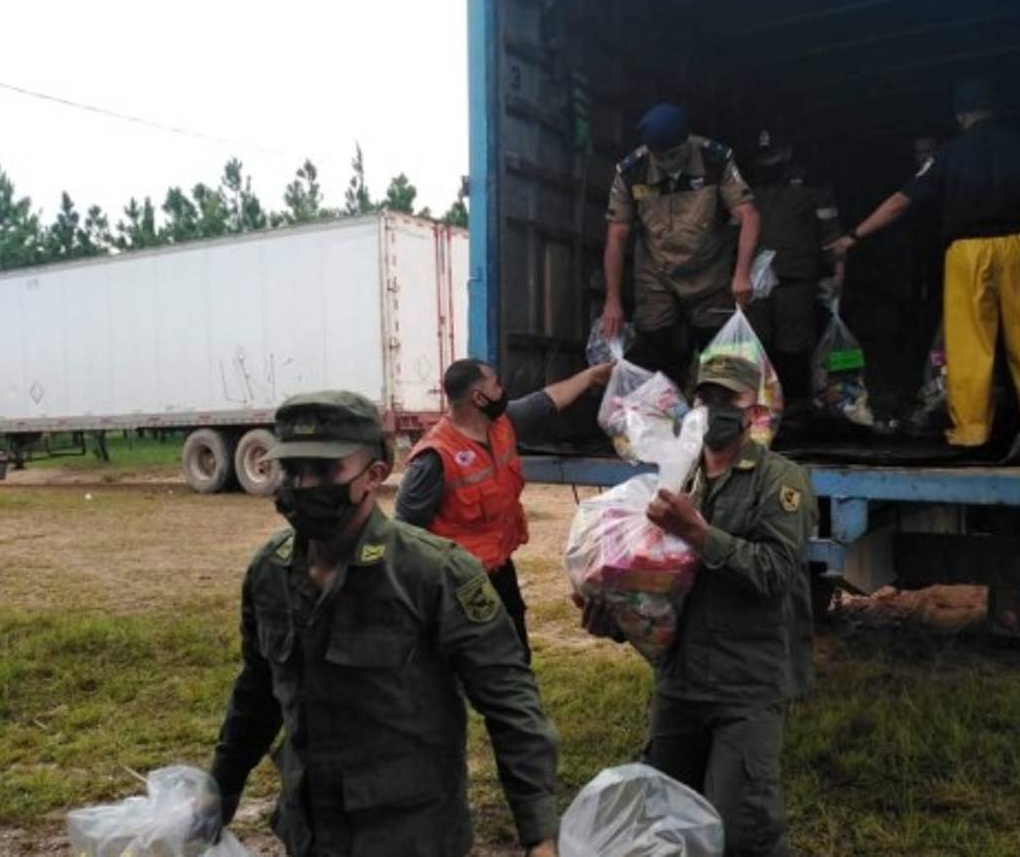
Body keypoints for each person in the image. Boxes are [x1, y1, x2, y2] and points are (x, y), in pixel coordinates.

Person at [209, 391, 559, 857]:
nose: (304, 485)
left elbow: (511, 706)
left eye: (325, 471)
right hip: (310, 831)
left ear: (374, 475)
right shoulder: (270, 572)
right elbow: (257, 693)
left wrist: (539, 836)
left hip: (410, 835)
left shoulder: (433, 574)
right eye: (292, 470)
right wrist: (220, 791)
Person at [582, 354, 816, 856]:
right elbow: (657, 592)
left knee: (742, 831)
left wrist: (698, 533)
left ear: (754, 412)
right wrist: (615, 617)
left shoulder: (780, 481)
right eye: (705, 397)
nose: (713, 409)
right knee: (667, 824)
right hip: (681, 683)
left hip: (744, 686)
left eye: (728, 399)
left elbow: (775, 574)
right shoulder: (675, 478)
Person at [826, 79, 1020, 448]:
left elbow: (900, 203)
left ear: (960, 116)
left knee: (969, 343)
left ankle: (971, 431)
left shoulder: (949, 154)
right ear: (994, 109)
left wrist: (853, 236)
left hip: (967, 251)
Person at [396, 358, 611, 661]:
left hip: (499, 567)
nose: (502, 390)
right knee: (478, 661)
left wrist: (591, 376)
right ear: (479, 398)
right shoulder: (434, 458)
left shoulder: (501, 424)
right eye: (495, 385)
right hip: (460, 581)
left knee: (515, 653)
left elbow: (547, 401)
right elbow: (404, 534)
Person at [601, 102, 761, 385]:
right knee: (654, 349)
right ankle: (664, 405)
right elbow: (617, 235)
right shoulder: (632, 171)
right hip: (656, 275)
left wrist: (742, 274)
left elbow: (748, 214)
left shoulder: (715, 159)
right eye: (659, 157)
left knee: (720, 357)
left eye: (673, 154)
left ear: (687, 142)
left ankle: (716, 408)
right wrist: (612, 299)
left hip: (708, 274)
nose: (667, 162)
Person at [743, 129, 846, 406]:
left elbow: (831, 232)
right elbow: (732, 232)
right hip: (755, 283)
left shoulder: (811, 186)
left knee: (794, 347)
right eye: (762, 156)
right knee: (757, 346)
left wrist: (837, 271)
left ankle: (797, 408)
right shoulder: (747, 187)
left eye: (772, 155)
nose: (767, 162)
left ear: (787, 153)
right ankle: (762, 408)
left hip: (796, 279)